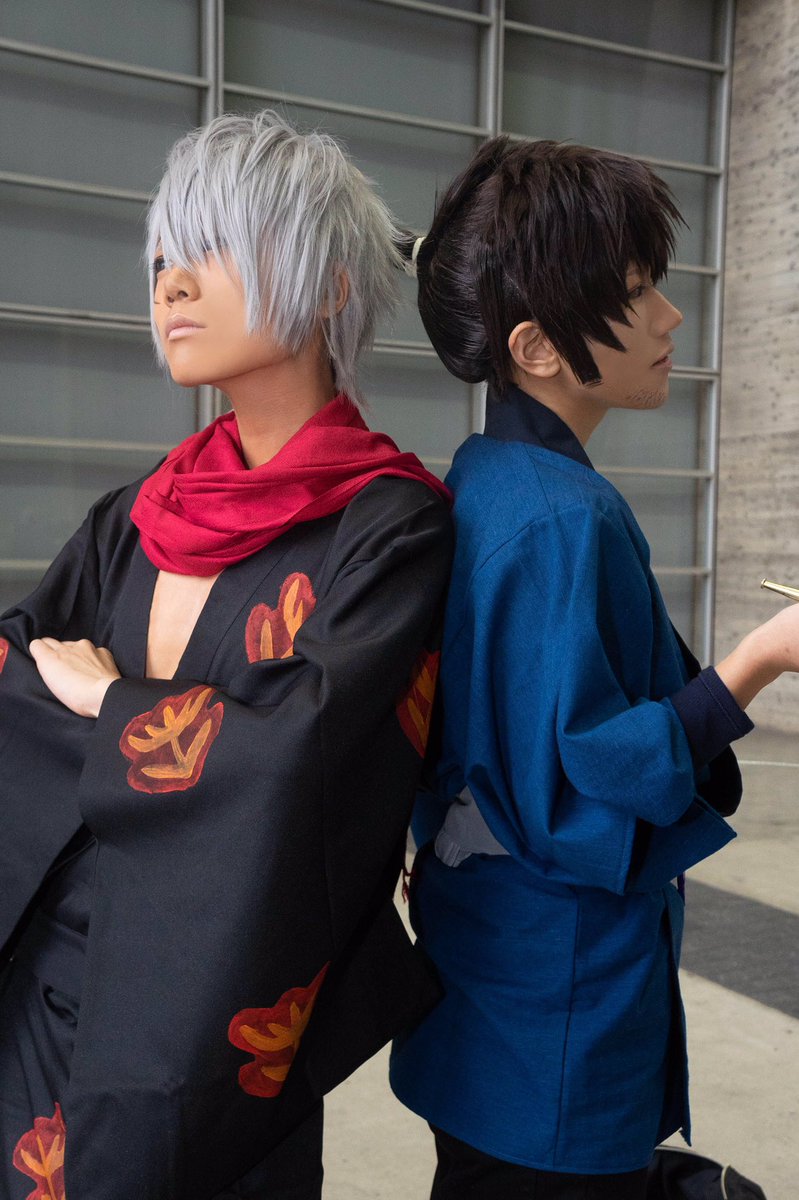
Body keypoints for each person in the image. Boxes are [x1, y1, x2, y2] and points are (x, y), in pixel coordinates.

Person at [0, 110, 452, 1199]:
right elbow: (20, 665)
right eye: (163, 255)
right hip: (46, 978)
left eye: (213, 247)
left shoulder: (389, 529)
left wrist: (110, 707)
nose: (172, 282)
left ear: (329, 287)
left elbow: (311, 756)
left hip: (213, 1013)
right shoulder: (137, 514)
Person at [389, 136, 796, 1199]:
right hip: (556, 1012)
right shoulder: (561, 519)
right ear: (534, 346)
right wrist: (761, 658)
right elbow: (586, 780)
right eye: (634, 291)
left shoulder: (485, 480)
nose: (668, 317)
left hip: (485, 985)